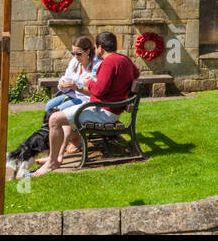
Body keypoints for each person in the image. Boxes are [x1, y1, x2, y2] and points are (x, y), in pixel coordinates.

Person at [32, 31, 140, 176]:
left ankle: (52, 163)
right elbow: (136, 73)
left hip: (104, 112)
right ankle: (56, 157)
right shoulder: (124, 59)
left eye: (96, 48)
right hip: (109, 109)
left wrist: (88, 82)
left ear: (100, 47)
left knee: (54, 119)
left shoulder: (108, 63)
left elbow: (99, 91)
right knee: (65, 115)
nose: (96, 51)